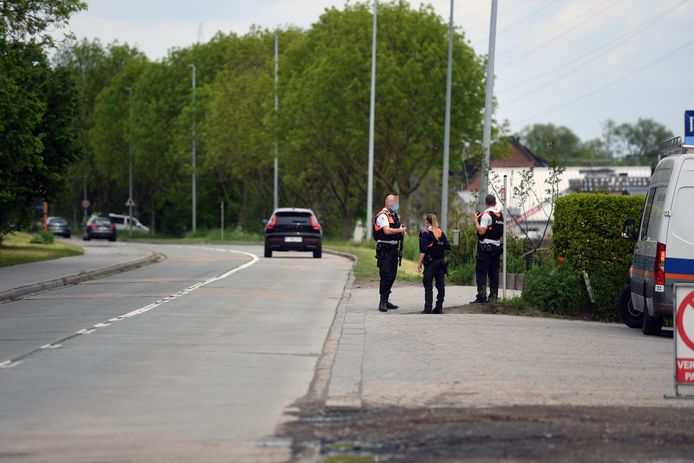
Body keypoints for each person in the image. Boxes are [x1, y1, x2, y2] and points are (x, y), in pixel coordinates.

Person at [373, 194, 407, 312]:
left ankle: (386, 300)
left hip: (393, 249)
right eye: (393, 202)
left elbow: (395, 229)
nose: (395, 205)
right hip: (384, 249)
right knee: (386, 275)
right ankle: (382, 302)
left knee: (392, 276)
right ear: (387, 202)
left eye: (396, 202)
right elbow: (386, 231)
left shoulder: (394, 215)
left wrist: (400, 229)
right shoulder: (383, 215)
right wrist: (400, 230)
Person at [472, 194, 504, 303]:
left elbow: (482, 231)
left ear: (486, 203)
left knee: (481, 271)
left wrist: (476, 220)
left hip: (486, 248)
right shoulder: (500, 215)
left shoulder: (486, 215)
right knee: (494, 273)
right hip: (497, 247)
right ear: (495, 203)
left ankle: (481, 296)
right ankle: (494, 296)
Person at [417, 213, 451, 314]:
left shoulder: (426, 233)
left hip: (431, 263)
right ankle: (439, 307)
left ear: (427, 222)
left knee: (428, 285)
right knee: (440, 285)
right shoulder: (441, 233)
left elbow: (423, 250)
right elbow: (448, 246)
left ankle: (428, 308)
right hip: (441, 262)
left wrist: (419, 263)